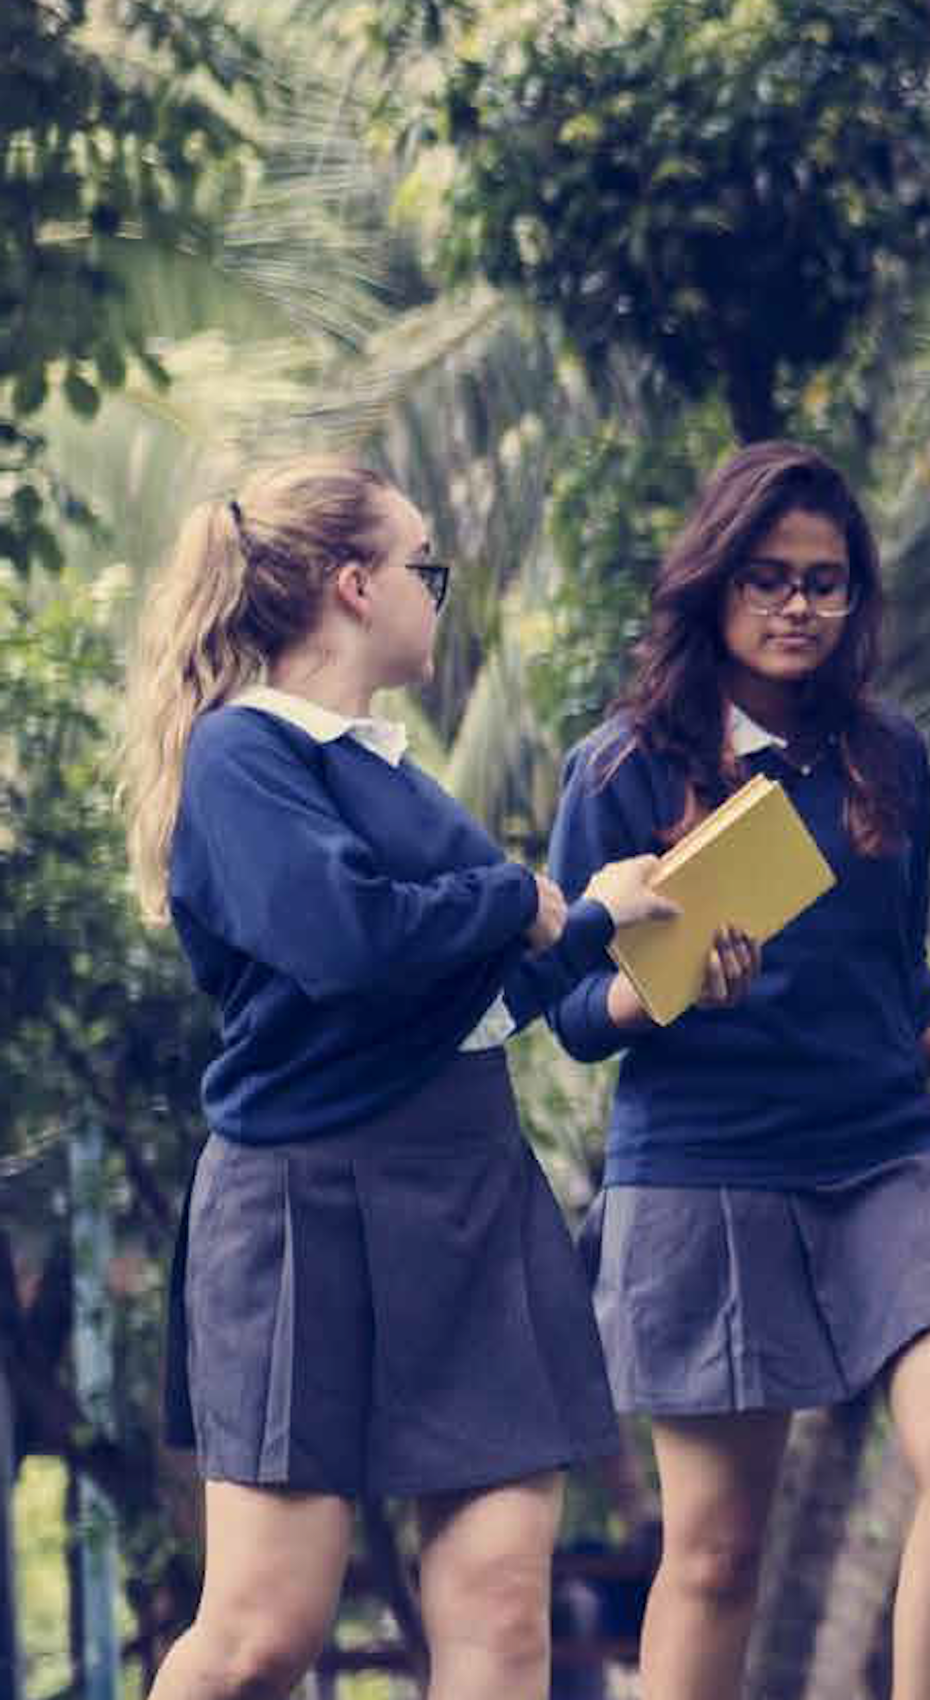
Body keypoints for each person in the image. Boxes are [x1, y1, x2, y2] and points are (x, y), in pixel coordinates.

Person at [120, 455, 676, 1700]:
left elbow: (477, 999)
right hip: (301, 1204)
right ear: (355, 583)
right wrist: (530, 902)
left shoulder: (396, 774)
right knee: (264, 1631)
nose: (442, 592)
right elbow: (346, 939)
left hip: (471, 1193)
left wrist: (601, 933)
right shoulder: (242, 754)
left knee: (500, 1615)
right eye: (426, 565)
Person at [546, 440, 930, 1700]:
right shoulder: (620, 768)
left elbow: (902, 978)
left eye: (825, 583)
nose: (797, 606)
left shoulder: (886, 752)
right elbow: (566, 1007)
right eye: (770, 579)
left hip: (885, 1156)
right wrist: (663, 989)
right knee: (720, 1553)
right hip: (705, 1175)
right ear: (715, 587)